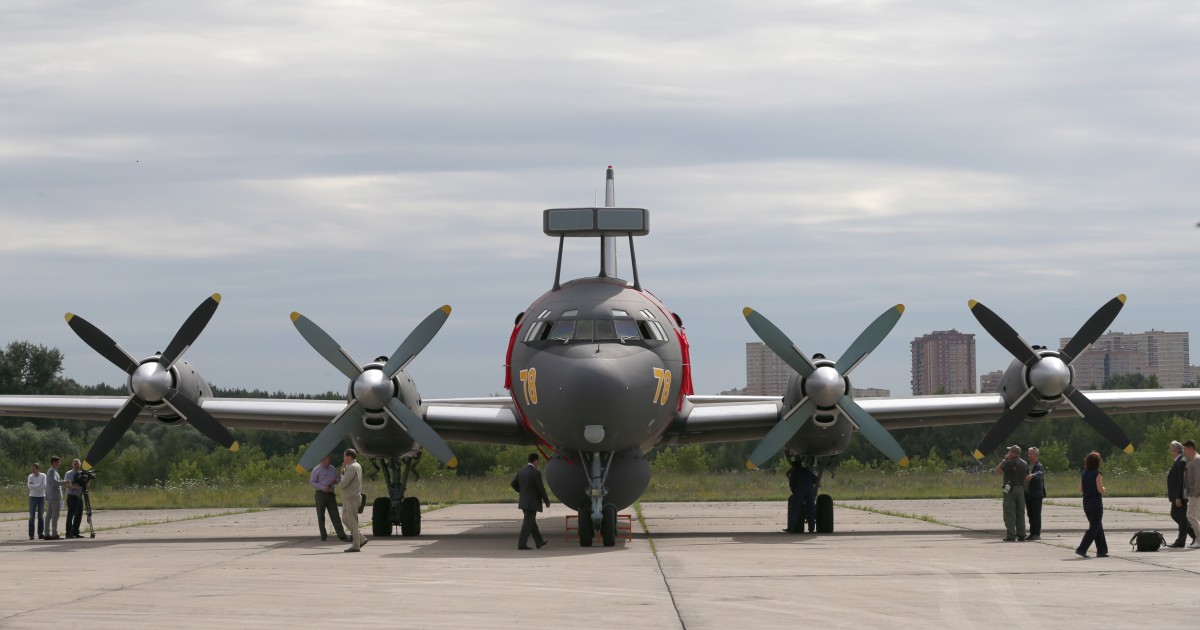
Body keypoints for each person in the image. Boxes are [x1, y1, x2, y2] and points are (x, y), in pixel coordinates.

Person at [510, 453, 550, 550]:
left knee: (531, 523)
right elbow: (541, 488)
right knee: (528, 523)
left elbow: (513, 483)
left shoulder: (521, 472)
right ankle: (521, 544)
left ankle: (539, 542)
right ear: (535, 461)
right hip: (532, 502)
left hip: (524, 501)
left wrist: (521, 491)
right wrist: (546, 500)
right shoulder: (535, 473)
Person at [1075, 451, 1108, 558]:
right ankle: (1082, 548)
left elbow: (1080, 489)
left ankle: (1102, 550)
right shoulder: (1098, 474)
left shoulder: (1084, 473)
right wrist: (1103, 488)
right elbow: (1100, 490)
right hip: (1096, 502)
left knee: (1098, 526)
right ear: (1097, 462)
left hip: (1086, 502)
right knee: (1094, 527)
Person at [310, 454, 349, 542]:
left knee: (335, 515)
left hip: (330, 494)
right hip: (321, 494)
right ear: (323, 459)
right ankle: (323, 535)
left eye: (330, 459)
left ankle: (342, 535)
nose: (330, 460)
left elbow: (338, 479)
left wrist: (336, 481)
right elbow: (312, 482)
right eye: (328, 459)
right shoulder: (316, 470)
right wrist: (321, 487)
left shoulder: (332, 468)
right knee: (321, 515)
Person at [994, 445, 1029, 541]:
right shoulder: (1025, 463)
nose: (1009, 453)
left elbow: (998, 471)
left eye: (1010, 452)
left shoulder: (1008, 462)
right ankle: (1022, 534)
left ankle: (1011, 535)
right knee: (1020, 513)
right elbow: (1027, 477)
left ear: (1013, 453)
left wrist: (1004, 460)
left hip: (1010, 489)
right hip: (1021, 489)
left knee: (1010, 513)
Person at [1166, 441, 1195, 547]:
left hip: (1180, 496)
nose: (1170, 452)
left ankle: (1181, 541)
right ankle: (1194, 535)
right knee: (1177, 516)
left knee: (1180, 517)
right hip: (1177, 495)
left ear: (1176, 450)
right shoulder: (1178, 460)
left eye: (1171, 449)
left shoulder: (1181, 461)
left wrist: (1178, 497)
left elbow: (1180, 481)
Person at [337, 449, 367, 552]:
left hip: (351, 498)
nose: (344, 458)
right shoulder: (355, 466)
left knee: (352, 521)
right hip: (349, 498)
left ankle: (356, 544)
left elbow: (343, 484)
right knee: (345, 519)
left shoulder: (352, 467)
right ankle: (360, 538)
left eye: (345, 456)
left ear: (349, 457)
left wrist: (341, 474)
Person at [785, 460, 817, 533]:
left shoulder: (794, 472)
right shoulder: (807, 471)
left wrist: (794, 493)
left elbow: (791, 484)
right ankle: (811, 528)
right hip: (809, 492)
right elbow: (816, 479)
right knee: (811, 509)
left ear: (794, 466)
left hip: (799, 492)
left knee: (795, 510)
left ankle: (791, 528)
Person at [1025, 447, 1045, 541]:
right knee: (1030, 514)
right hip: (1028, 494)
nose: (1029, 455)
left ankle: (1037, 533)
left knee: (1036, 514)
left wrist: (1033, 476)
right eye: (1028, 454)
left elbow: (1040, 473)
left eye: (1031, 454)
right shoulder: (1027, 465)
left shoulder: (1038, 465)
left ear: (1036, 455)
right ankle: (1032, 533)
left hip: (1036, 495)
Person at [1184, 440, 1200, 549]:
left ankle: (1199, 539)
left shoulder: (1196, 460)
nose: (1184, 451)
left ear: (1191, 448)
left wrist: (1196, 492)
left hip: (1195, 493)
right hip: (1193, 492)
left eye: (1185, 449)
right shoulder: (1192, 459)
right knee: (1195, 516)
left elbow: (1198, 478)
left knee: (1191, 515)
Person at [63, 459, 84, 539]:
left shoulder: (82, 473)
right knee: (70, 515)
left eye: (78, 464)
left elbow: (85, 486)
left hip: (79, 496)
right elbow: (67, 485)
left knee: (79, 515)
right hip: (71, 496)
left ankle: (76, 532)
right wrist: (77, 487)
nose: (76, 465)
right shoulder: (68, 473)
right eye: (75, 464)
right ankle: (68, 533)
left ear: (80, 465)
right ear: (72, 464)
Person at [46, 456, 64, 540]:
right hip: (55, 496)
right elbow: (55, 482)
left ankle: (46, 533)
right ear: (53, 462)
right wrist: (65, 482)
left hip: (50, 496)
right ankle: (54, 534)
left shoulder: (53, 471)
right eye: (58, 462)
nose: (59, 463)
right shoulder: (52, 471)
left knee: (49, 515)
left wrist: (63, 482)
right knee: (55, 516)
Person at [27, 463, 47, 541]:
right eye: (32, 468)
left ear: (38, 469)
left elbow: (45, 485)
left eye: (34, 468)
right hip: (32, 497)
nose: (32, 470)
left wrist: (35, 486)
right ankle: (31, 534)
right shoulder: (30, 476)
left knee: (40, 516)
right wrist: (39, 485)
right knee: (32, 517)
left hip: (41, 497)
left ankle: (41, 533)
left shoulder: (43, 475)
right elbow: (29, 486)